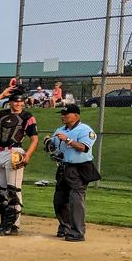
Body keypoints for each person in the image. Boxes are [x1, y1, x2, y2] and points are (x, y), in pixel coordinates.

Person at [0, 82, 39, 236]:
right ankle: (4, 221)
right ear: (10, 102)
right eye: (15, 101)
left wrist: (27, 155)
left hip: (16, 151)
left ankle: (12, 226)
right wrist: (2, 94)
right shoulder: (3, 114)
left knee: (13, 190)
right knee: (1, 191)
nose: (18, 104)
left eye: (21, 101)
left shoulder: (27, 116)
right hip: (1, 153)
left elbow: (34, 139)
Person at [50, 103, 100, 242]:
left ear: (76, 116)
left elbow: (84, 148)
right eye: (62, 114)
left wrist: (68, 140)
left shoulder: (85, 130)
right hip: (63, 168)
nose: (63, 116)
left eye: (66, 114)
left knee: (76, 200)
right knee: (59, 200)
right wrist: (49, 143)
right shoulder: (60, 130)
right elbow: (53, 146)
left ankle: (77, 232)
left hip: (79, 168)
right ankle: (65, 227)